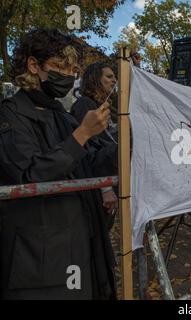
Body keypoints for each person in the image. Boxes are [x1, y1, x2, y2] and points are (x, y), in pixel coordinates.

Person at [0, 29, 117, 299]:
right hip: (42, 260)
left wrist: (127, 144)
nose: (68, 75)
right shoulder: (10, 114)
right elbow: (29, 175)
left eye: (72, 69)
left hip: (81, 244)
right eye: (59, 66)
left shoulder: (60, 115)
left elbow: (92, 164)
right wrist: (83, 134)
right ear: (33, 65)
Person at [70, 62, 119, 229]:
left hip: (108, 182)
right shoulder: (85, 105)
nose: (114, 80)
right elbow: (88, 149)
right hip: (95, 189)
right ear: (95, 79)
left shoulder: (104, 108)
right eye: (109, 76)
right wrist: (105, 188)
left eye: (115, 77)